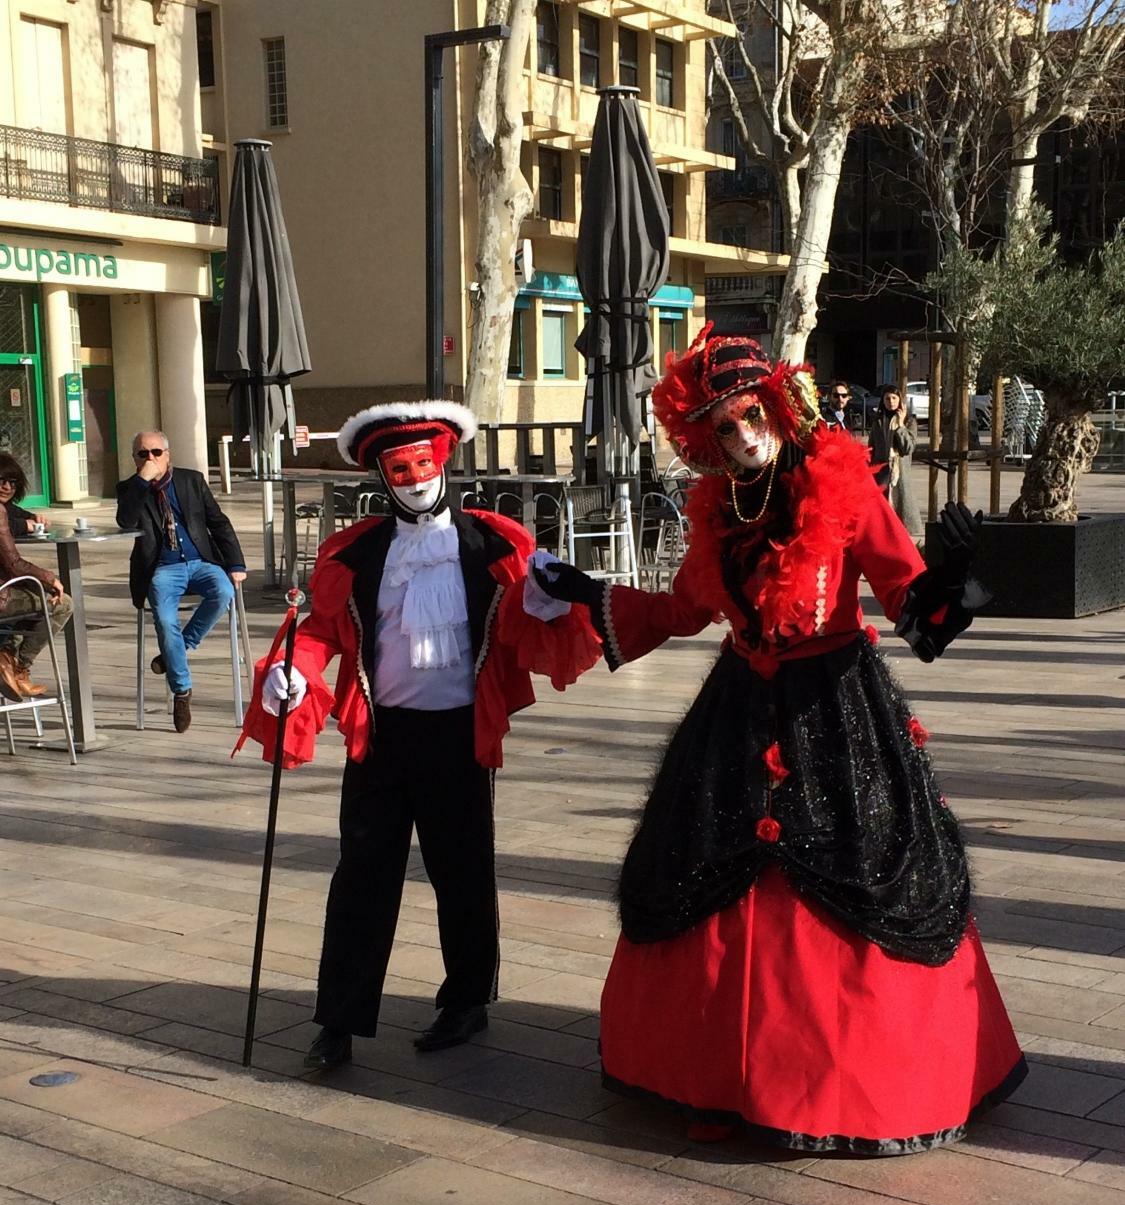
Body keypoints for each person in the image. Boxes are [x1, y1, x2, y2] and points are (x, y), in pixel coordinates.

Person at [533, 326, 1025, 1154]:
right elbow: (684, 609)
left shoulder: (842, 488)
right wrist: (588, 590)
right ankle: (717, 1072)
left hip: (834, 707)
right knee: (700, 871)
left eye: (751, 415)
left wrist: (954, 578)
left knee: (862, 874)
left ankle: (838, 1082)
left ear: (781, 409)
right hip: (737, 710)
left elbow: (908, 599)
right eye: (721, 427)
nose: (740, 435)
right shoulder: (719, 509)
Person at [237, 401, 600, 1067]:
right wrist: (291, 668)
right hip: (379, 735)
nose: (412, 479)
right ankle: (338, 1022)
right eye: (398, 469)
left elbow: (527, 630)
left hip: (462, 735)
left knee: (462, 872)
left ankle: (465, 1000)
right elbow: (319, 628)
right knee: (360, 878)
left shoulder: (493, 544)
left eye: (423, 464)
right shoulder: (356, 552)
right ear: (381, 477)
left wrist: (548, 604)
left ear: (444, 464)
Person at [116, 431, 247, 733]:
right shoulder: (129, 488)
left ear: (168, 454)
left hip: (201, 561)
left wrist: (236, 563)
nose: (151, 459)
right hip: (162, 567)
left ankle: (177, 651)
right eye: (143, 454)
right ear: (134, 459)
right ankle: (182, 691)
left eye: (157, 452)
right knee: (164, 619)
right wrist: (141, 482)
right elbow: (125, 520)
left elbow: (218, 521)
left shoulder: (191, 480)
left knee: (224, 590)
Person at [0, 452, 72, 701]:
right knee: (61, 604)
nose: (7, 487)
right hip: (1, 598)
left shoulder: (5, 509)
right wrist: (49, 578)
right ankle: (17, 667)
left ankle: (7, 660)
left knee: (29, 600)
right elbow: (14, 564)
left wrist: (31, 518)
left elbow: (12, 513)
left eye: (12, 481)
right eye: (1, 480)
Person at [869, 384, 921, 539]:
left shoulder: (909, 422)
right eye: (887, 398)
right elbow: (872, 448)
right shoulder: (878, 421)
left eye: (894, 398)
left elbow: (907, 448)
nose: (891, 401)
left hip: (900, 477)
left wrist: (900, 425)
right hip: (882, 475)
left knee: (901, 517)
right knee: (883, 519)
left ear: (900, 400)